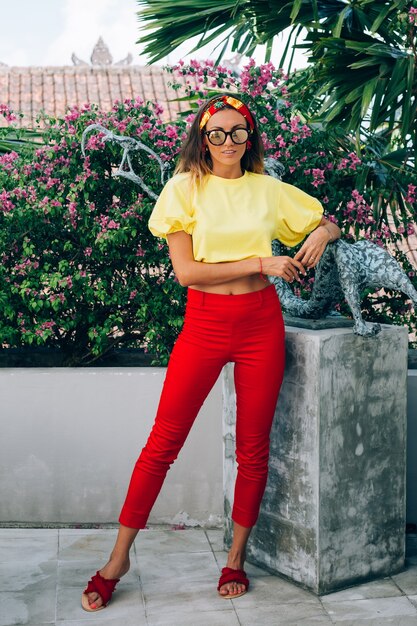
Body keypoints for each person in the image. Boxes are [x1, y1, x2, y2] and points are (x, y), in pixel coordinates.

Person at [81, 93, 341, 611]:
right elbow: (187, 273)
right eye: (216, 133)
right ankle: (118, 559)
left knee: (253, 447)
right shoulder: (184, 189)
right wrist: (261, 263)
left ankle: (236, 558)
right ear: (203, 138)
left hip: (260, 325)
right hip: (204, 325)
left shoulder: (268, 190)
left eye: (237, 132)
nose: (227, 142)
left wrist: (325, 232)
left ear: (250, 138)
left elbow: (323, 220)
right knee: (163, 444)